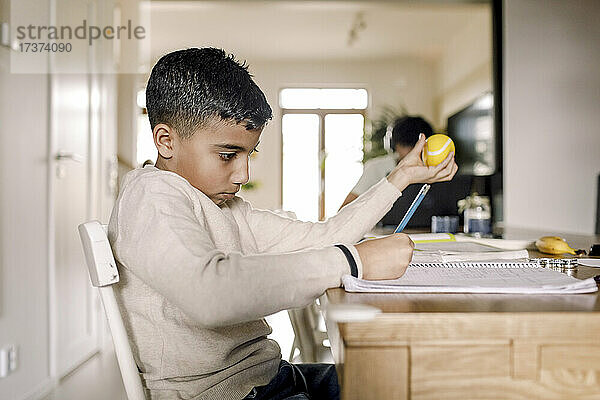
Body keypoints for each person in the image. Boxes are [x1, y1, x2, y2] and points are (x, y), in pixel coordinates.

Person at [108, 48, 457, 400]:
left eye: (249, 154)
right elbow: (211, 294)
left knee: (402, 382)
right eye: (228, 155)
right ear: (166, 141)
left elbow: (325, 236)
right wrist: (353, 262)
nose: (243, 174)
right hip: (227, 395)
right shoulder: (150, 198)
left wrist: (401, 177)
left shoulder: (222, 206)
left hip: (270, 378)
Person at [339, 116, 434, 210]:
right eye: (406, 146)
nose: (413, 152)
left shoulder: (436, 169)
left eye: (417, 146)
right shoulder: (376, 167)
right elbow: (345, 210)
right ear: (394, 145)